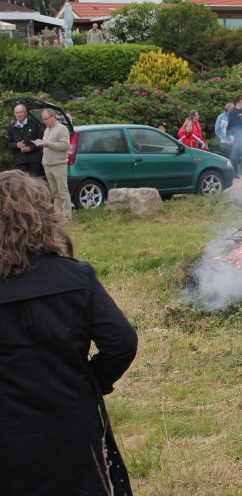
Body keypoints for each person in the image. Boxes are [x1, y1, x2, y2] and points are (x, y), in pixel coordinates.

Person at [0, 169, 137, 495]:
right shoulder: (75, 277)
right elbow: (121, 343)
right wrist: (91, 381)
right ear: (44, 217)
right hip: (72, 424)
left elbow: (121, 343)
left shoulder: (76, 277)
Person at [40, 108, 72, 220]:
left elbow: (65, 145)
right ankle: (58, 215)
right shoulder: (46, 130)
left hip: (59, 164)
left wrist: (48, 144)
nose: (45, 121)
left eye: (46, 119)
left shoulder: (62, 129)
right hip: (47, 164)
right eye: (43, 119)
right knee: (54, 193)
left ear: (53, 117)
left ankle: (67, 216)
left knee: (63, 191)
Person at [5, 103, 45, 177]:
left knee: (34, 182)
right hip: (19, 162)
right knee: (21, 183)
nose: (19, 114)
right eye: (17, 112)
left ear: (26, 113)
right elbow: (7, 144)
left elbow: (41, 141)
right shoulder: (11, 127)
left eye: (21, 112)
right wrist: (16, 145)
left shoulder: (34, 125)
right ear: (14, 114)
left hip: (34, 161)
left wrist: (30, 148)